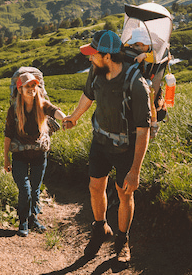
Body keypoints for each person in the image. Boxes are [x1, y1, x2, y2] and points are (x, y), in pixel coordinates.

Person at [63, 30, 151, 263]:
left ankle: (122, 242)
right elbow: (88, 96)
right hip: (100, 142)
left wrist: (135, 171)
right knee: (95, 187)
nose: (90, 58)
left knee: (124, 193)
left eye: (94, 55)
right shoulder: (96, 71)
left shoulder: (137, 84)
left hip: (125, 148)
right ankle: (100, 228)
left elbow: (144, 130)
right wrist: (74, 117)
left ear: (108, 57)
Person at [3, 72, 66, 237]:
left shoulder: (42, 104)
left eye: (34, 85)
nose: (31, 89)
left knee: (35, 189)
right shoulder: (14, 110)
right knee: (25, 190)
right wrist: (5, 158)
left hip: (39, 155)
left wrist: (65, 118)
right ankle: (23, 220)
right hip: (20, 156)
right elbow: (8, 134)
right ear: (20, 89)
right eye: (27, 86)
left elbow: (54, 111)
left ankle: (33, 219)